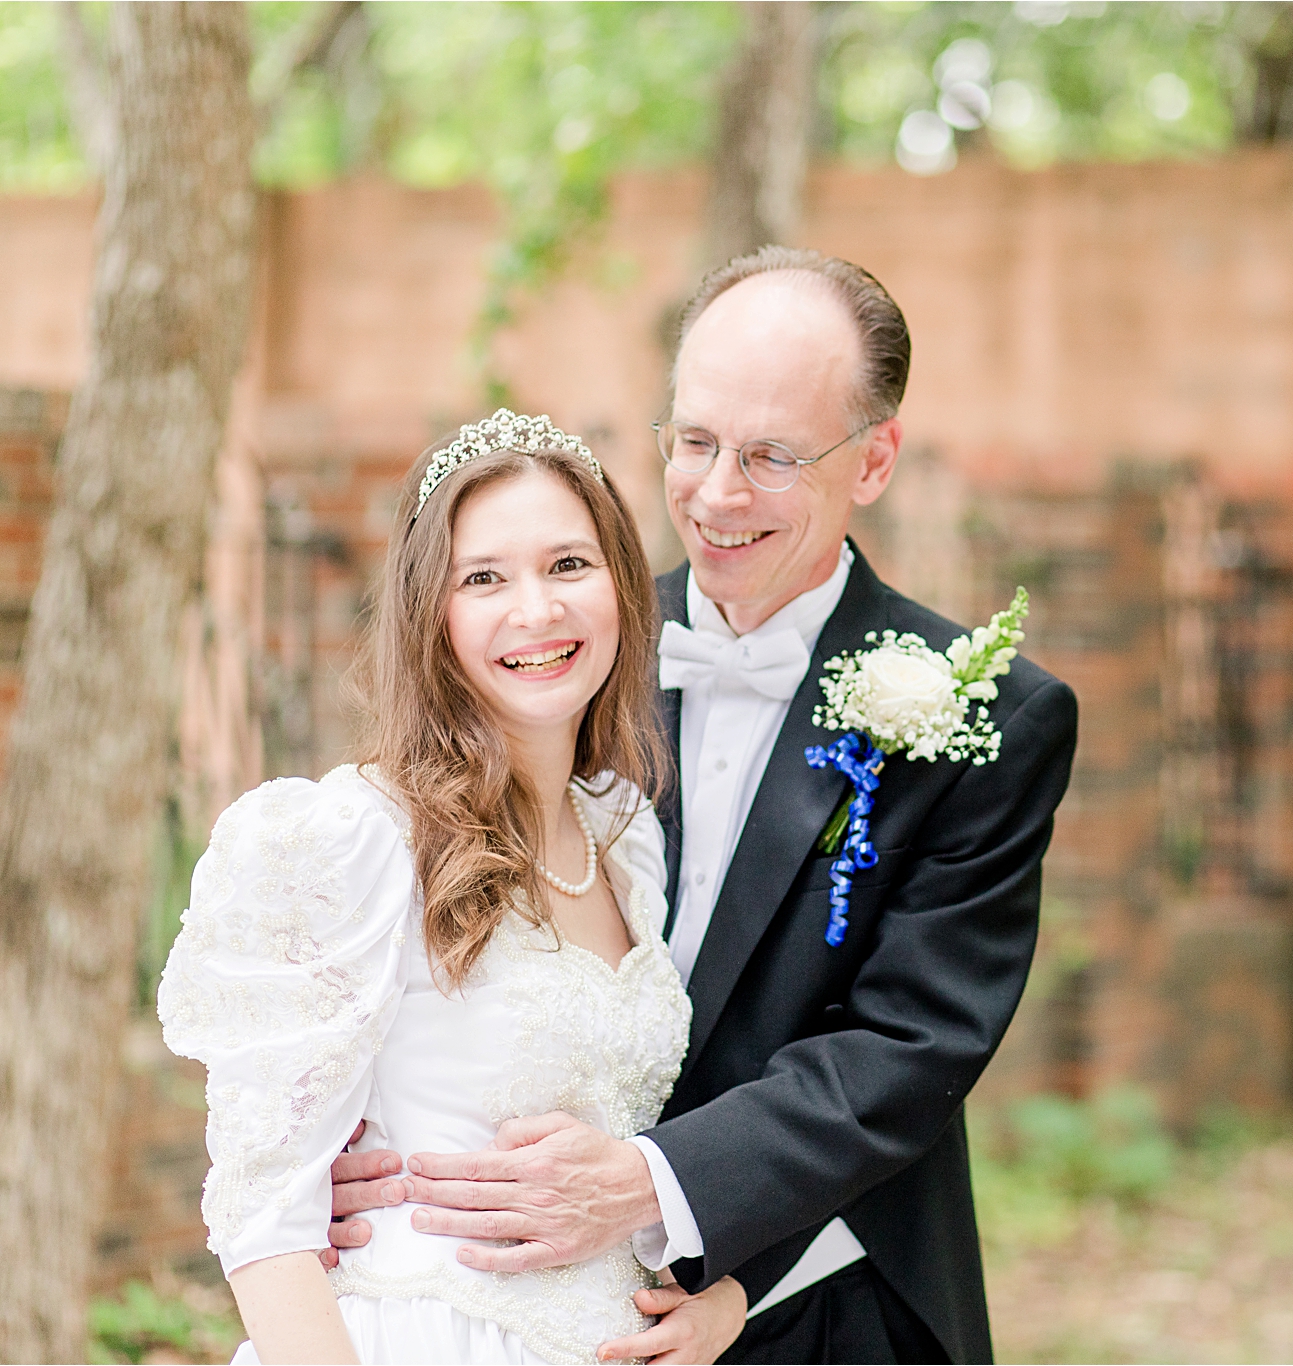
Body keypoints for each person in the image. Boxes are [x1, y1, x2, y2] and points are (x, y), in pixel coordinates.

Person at [327, 249, 1080, 1363]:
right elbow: (420, 906)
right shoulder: (568, 649)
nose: (718, 494)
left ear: (874, 459)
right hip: (501, 1297)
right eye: (694, 441)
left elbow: (906, 1048)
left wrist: (669, 1209)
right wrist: (357, 1140)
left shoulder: (987, 717)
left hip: (823, 1298)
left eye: (772, 455)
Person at [158, 411, 749, 1364]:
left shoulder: (626, 831)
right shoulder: (356, 839)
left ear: (624, 589)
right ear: (431, 615)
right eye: (485, 578)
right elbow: (265, 1223)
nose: (538, 610)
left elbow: (626, 1139)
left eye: (568, 565)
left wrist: (715, 1298)